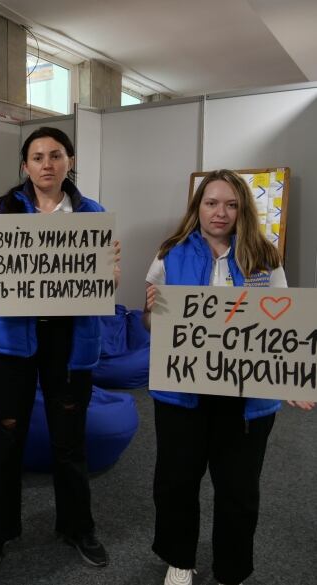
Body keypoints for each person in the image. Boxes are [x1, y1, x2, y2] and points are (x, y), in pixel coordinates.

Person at [142, 169, 313, 585]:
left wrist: (291, 377)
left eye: (231, 204)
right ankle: (180, 558)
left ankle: (232, 571)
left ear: (243, 210)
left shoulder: (265, 258)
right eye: (212, 203)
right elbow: (150, 324)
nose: (221, 213)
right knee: (176, 483)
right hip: (182, 395)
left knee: (238, 491)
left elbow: (282, 325)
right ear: (197, 207)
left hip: (247, 402)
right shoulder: (170, 253)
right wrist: (153, 312)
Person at [0, 126, 120, 570]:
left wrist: (108, 276)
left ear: (69, 160)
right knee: (5, 435)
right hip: (13, 340)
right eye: (37, 157)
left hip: (70, 342)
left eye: (55, 155)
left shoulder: (93, 214)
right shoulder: (3, 209)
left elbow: (102, 286)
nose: (46, 164)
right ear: (25, 165)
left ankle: (77, 527)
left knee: (70, 441)